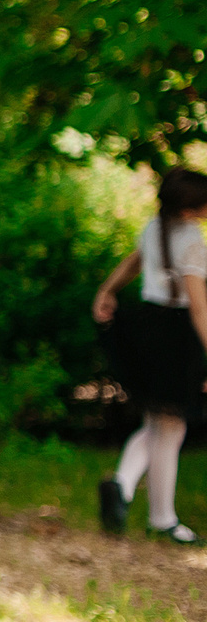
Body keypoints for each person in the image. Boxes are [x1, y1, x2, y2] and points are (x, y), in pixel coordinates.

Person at [94, 167, 207, 544]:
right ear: (189, 209)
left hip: (148, 326)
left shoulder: (153, 227)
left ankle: (123, 486)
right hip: (177, 334)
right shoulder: (191, 240)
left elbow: (134, 261)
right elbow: (199, 308)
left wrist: (106, 290)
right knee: (171, 428)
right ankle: (161, 518)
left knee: (157, 424)